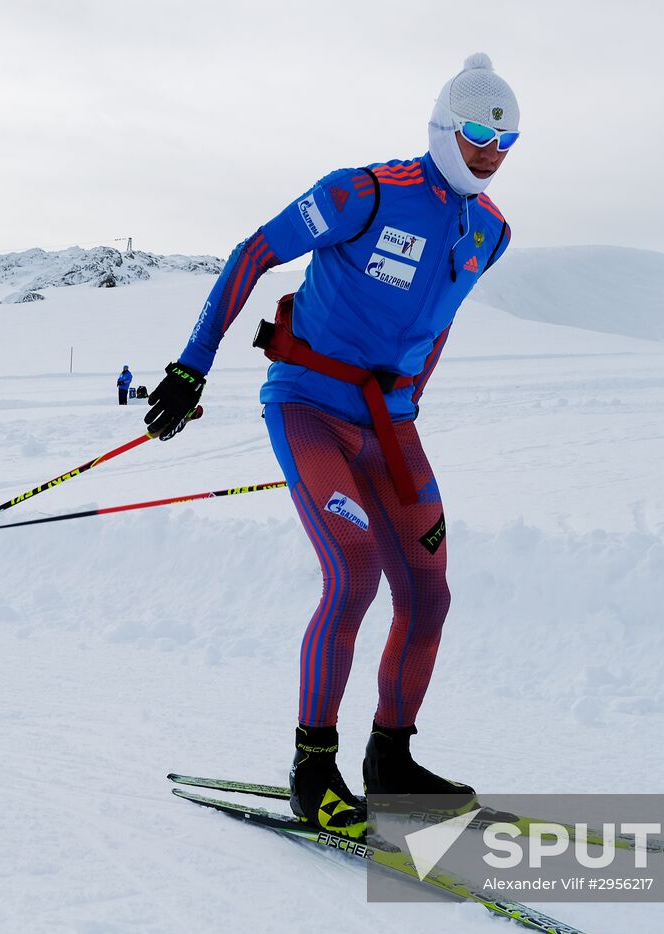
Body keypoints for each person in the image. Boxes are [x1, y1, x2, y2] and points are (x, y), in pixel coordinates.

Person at [145, 54, 518, 838]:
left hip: (388, 426)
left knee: (428, 592)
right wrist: (191, 367)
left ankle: (392, 759)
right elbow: (254, 252)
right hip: (309, 407)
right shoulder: (365, 191)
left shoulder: (490, 231)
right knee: (354, 571)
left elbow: (439, 319)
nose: (493, 147)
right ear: (446, 128)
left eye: (508, 136)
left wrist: (410, 400)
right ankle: (313, 768)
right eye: (480, 130)